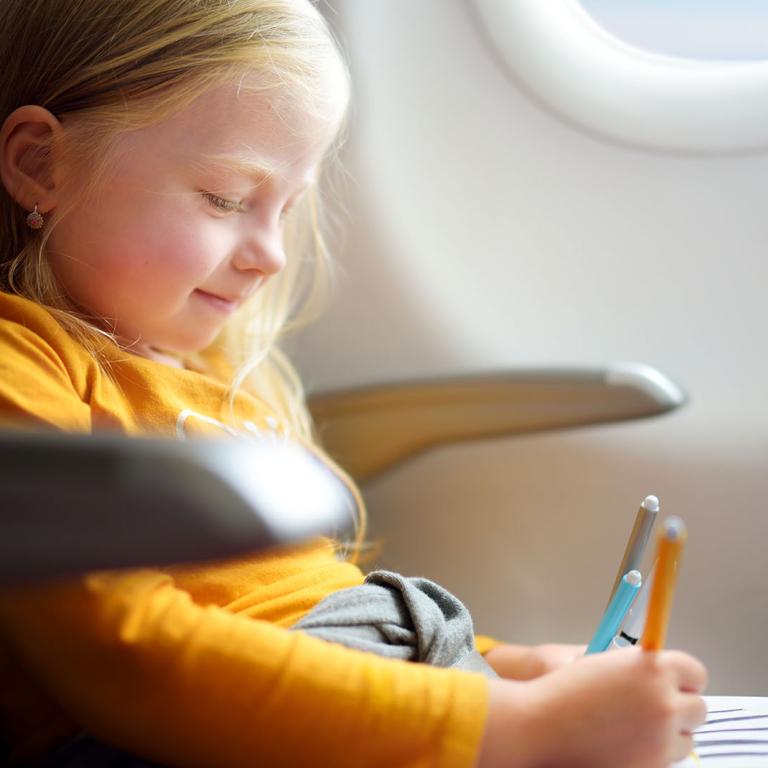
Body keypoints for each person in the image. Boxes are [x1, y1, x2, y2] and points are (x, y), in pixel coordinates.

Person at [0, 1, 708, 766]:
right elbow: (127, 660)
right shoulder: (24, 363)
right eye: (228, 198)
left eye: (288, 208)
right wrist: (517, 729)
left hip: (358, 664)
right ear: (41, 164)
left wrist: (518, 668)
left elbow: (295, 595)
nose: (270, 254)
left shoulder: (213, 376)